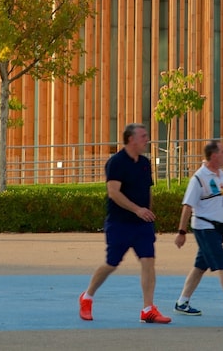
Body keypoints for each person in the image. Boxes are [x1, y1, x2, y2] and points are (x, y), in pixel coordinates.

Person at [79, 123, 171, 324]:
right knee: (111, 264)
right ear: (131, 139)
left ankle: (148, 309)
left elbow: (147, 191)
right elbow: (113, 192)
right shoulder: (116, 162)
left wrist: (148, 212)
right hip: (119, 223)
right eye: (143, 136)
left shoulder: (145, 163)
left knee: (148, 261)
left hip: (142, 225)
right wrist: (137, 210)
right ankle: (87, 297)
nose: (147, 139)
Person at [173, 140, 223, 319]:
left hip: (218, 229)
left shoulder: (221, 176)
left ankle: (182, 302)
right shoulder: (199, 178)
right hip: (205, 227)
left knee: (200, 266)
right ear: (213, 155)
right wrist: (181, 232)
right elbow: (187, 206)